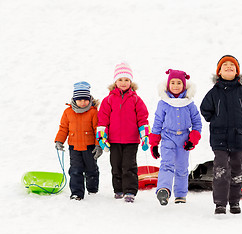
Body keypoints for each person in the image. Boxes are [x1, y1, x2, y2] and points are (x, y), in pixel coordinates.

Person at [200, 55, 242, 214]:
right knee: (221, 170)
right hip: (219, 139)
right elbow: (205, 109)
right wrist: (216, 120)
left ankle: (234, 202)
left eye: (232, 66)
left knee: (236, 169)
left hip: (239, 138)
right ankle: (220, 203)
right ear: (219, 72)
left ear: (237, 72)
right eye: (224, 65)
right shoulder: (213, 93)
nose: (228, 67)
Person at [97, 62, 149, 203]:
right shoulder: (108, 100)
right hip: (114, 140)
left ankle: (130, 191)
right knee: (116, 165)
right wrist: (102, 138)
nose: (123, 82)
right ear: (115, 81)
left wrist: (145, 136)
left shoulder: (136, 100)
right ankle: (118, 189)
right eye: (120, 79)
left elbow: (143, 119)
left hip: (131, 140)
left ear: (131, 82)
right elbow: (102, 121)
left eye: (126, 80)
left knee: (129, 166)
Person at [149, 69, 202, 206]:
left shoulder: (189, 104)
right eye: (172, 82)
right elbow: (157, 123)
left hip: (184, 138)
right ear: (168, 85)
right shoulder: (163, 103)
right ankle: (164, 190)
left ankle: (180, 194)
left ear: (184, 85)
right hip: (167, 137)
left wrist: (193, 139)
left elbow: (197, 123)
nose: (176, 85)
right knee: (166, 165)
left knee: (182, 168)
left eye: (179, 83)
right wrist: (154, 143)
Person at [55, 81, 102, 201]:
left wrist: (98, 145)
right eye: (80, 100)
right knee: (75, 170)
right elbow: (63, 128)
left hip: (89, 147)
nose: (83, 102)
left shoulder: (93, 112)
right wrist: (59, 141)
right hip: (74, 147)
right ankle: (77, 193)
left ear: (89, 99)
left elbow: (97, 129)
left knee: (91, 169)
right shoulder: (68, 112)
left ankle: (92, 188)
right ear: (74, 99)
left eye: (85, 99)